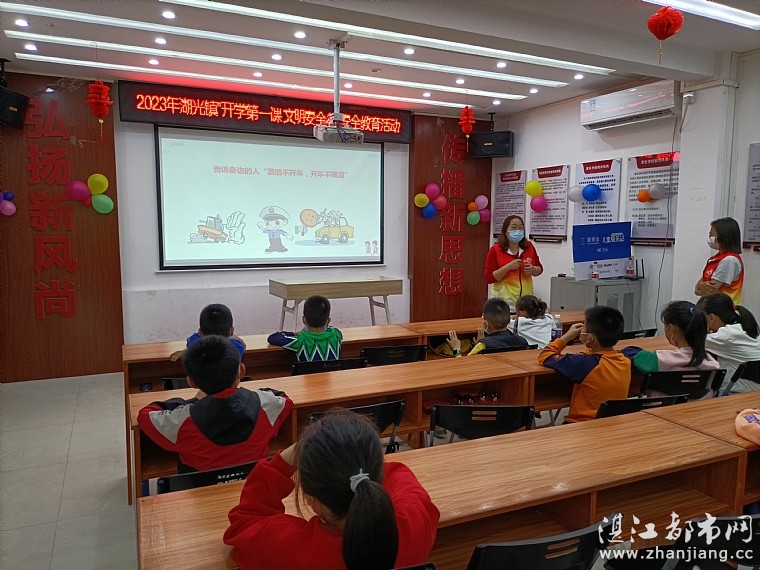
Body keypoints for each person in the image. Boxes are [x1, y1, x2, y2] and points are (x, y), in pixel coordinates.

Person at [223, 410, 440, 570]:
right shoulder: (416, 524)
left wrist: (284, 461)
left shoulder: (287, 550)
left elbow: (245, 523)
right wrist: (358, 456)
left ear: (311, 498)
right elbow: (399, 476)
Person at [138, 335, 293, 472]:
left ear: (191, 382)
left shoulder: (182, 420)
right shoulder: (264, 405)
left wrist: (192, 401)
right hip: (252, 486)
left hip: (198, 491)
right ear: (241, 371)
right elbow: (285, 401)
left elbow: (145, 416)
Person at [538, 306, 630, 422]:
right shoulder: (625, 360)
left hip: (581, 424)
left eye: (584, 327)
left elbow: (545, 355)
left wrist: (566, 337)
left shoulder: (584, 363)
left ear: (589, 338)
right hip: (610, 423)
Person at [623, 301, 719, 377]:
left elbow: (631, 353)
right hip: (699, 397)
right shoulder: (713, 364)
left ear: (671, 329)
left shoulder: (660, 360)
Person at [697, 293, 760, 393]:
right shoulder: (747, 327)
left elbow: (690, 341)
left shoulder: (726, 335)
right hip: (755, 393)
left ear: (711, 318)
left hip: (737, 395)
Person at [484, 215, 543, 308]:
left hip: (525, 302)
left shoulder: (529, 247)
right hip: (503, 302)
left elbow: (539, 269)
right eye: (514, 227)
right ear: (506, 231)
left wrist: (533, 269)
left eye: (521, 228)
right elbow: (489, 278)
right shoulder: (495, 250)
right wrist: (508, 267)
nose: (518, 231)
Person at [268, 295, 343, 361]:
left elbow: (273, 338)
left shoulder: (301, 340)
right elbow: (331, 328)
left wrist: (294, 334)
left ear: (304, 320)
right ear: (328, 321)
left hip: (309, 373)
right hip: (333, 374)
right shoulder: (336, 334)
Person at [446, 298, 528, 356]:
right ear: (509, 321)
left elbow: (465, 367)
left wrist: (456, 349)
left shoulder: (482, 346)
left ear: (486, 324)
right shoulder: (522, 341)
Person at [170, 303, 246, 362]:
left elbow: (192, 344)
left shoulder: (193, 346)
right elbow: (242, 343)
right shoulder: (237, 347)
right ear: (231, 331)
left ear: (200, 332)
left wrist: (186, 352)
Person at [695, 217, 744, 304]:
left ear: (723, 236)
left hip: (723, 309)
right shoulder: (714, 259)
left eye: (712, 235)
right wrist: (701, 286)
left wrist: (701, 286)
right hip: (709, 307)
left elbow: (710, 291)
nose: (710, 238)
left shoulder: (730, 260)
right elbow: (697, 290)